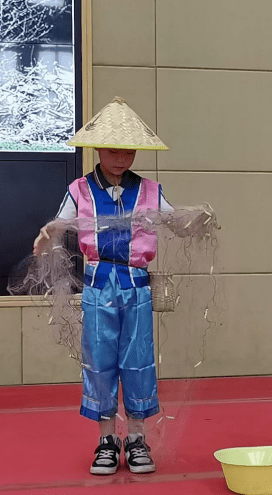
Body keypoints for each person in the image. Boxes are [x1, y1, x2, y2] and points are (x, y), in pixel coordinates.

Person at [33, 97, 171, 475]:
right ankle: (106, 440)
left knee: (139, 360)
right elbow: (60, 223)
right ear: (96, 147)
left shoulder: (149, 190)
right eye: (113, 148)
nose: (121, 156)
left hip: (136, 285)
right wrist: (48, 233)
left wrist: (197, 220)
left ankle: (138, 439)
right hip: (97, 287)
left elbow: (175, 219)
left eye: (128, 149)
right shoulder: (79, 189)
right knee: (99, 362)